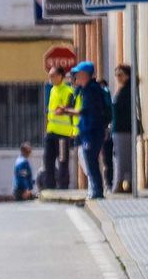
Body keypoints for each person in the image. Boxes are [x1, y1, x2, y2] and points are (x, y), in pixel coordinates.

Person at [72, 61, 112, 201]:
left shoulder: (92, 90)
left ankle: (97, 192)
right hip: (87, 132)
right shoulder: (84, 90)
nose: (76, 76)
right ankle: (95, 190)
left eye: (78, 74)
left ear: (85, 75)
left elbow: (87, 111)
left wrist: (66, 111)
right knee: (90, 162)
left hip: (92, 132)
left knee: (91, 162)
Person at [42, 65, 79, 191]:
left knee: (62, 160)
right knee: (48, 159)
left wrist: (63, 110)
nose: (50, 78)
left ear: (60, 76)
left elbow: (70, 108)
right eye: (49, 75)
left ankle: (63, 186)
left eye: (52, 75)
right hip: (51, 131)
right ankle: (50, 186)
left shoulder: (67, 91)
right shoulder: (52, 90)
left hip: (62, 134)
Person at [113, 65, 136, 194]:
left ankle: (120, 184)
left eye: (120, 74)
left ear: (127, 75)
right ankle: (123, 183)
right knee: (120, 157)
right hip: (119, 129)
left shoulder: (129, 90)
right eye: (116, 75)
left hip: (125, 129)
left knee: (122, 159)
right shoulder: (122, 90)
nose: (118, 77)